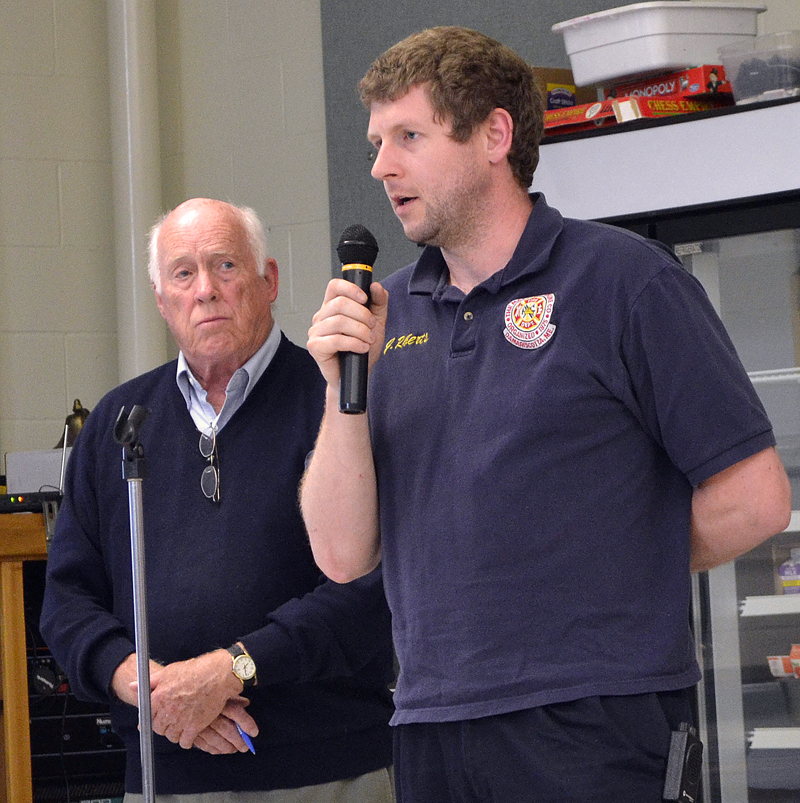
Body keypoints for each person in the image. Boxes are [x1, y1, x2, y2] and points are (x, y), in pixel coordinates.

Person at [299, 26, 792, 803]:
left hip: (593, 717)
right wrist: (337, 390)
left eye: (409, 136)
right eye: (375, 142)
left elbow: (757, 496)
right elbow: (340, 554)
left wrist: (617, 571)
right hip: (431, 720)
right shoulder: (384, 312)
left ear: (494, 135)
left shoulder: (626, 282)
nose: (381, 166)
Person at [40, 198, 395, 803]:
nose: (205, 290)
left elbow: (373, 589)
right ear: (161, 300)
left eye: (225, 265)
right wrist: (151, 691)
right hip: (163, 775)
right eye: (183, 273)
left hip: (328, 771)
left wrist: (231, 669)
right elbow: (67, 601)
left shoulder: (340, 400)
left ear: (269, 280)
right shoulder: (118, 422)